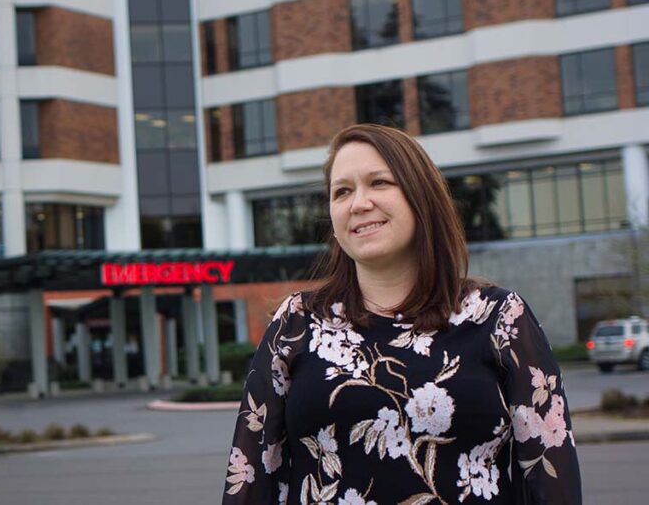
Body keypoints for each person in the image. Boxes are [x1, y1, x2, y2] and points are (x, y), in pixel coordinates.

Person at [223, 124, 581, 504]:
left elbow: (551, 480)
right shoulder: (295, 324)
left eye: (379, 182)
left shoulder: (499, 318)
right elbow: (252, 477)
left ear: (420, 196)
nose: (359, 203)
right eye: (342, 191)